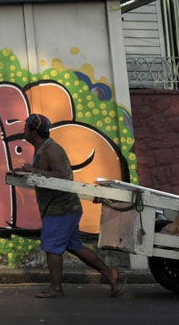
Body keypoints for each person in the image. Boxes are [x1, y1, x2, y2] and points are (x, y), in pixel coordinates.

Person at [17, 114, 126, 298]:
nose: (23, 131)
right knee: (75, 246)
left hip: (61, 209)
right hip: (61, 208)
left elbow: (61, 176)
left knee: (52, 247)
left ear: (34, 132)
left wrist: (34, 171)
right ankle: (110, 273)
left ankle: (56, 288)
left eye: (26, 128)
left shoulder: (52, 150)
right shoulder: (42, 149)